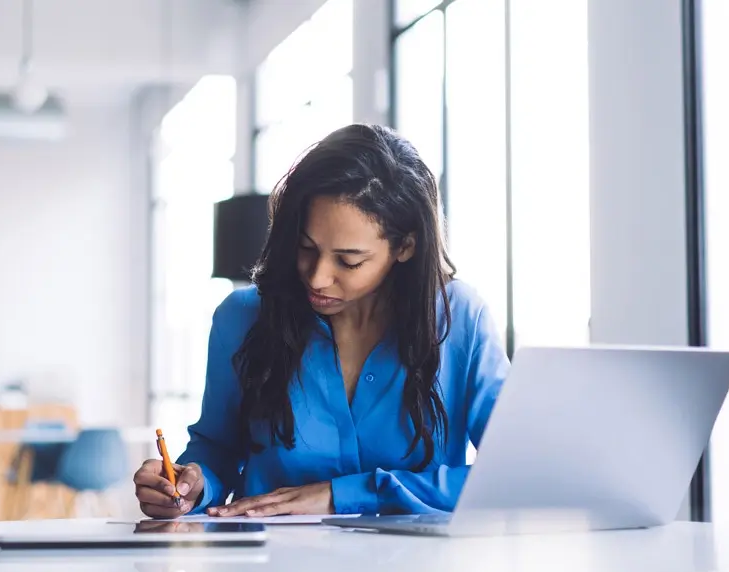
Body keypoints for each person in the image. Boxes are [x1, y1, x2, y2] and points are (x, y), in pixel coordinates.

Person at [133, 123, 509, 518]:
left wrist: (345, 494)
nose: (316, 277)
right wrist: (192, 486)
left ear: (405, 247)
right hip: (268, 569)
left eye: (349, 260)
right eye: (306, 247)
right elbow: (216, 449)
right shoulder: (241, 318)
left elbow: (509, 475)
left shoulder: (460, 318)